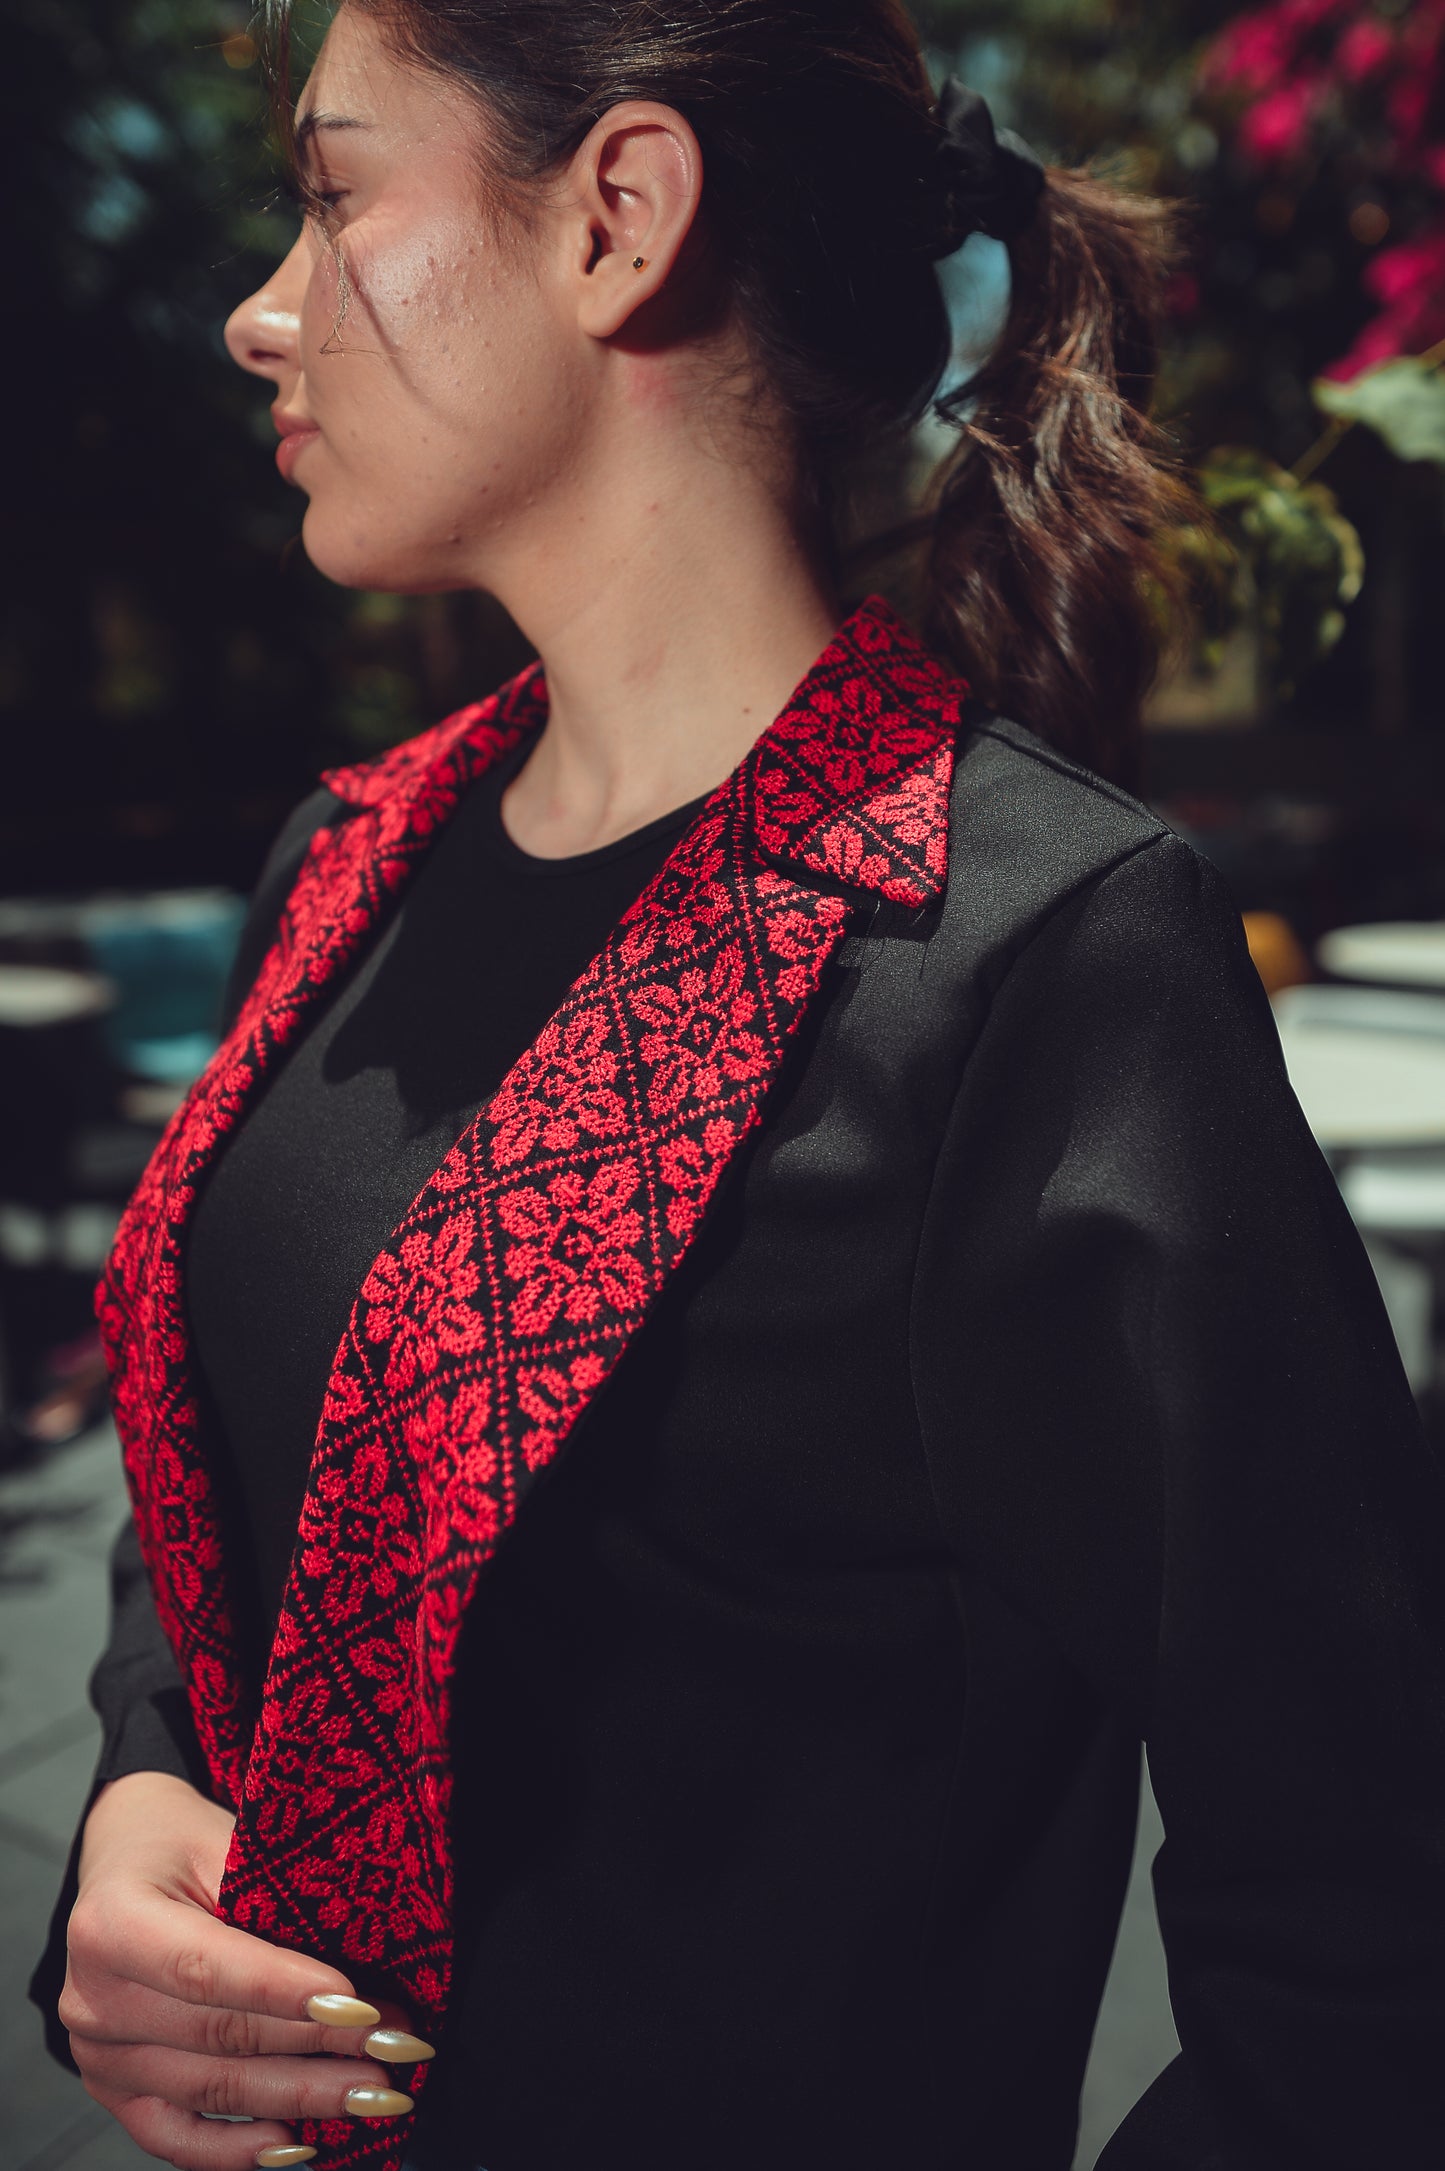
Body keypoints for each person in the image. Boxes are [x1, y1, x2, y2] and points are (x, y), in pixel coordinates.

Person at [29, 3, 1445, 2169]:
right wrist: (139, 1788)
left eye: (332, 196)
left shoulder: (1030, 957)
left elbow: (1368, 1926)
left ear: (620, 218)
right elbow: (230, 1472)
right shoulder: (343, 870)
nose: (265, 307)